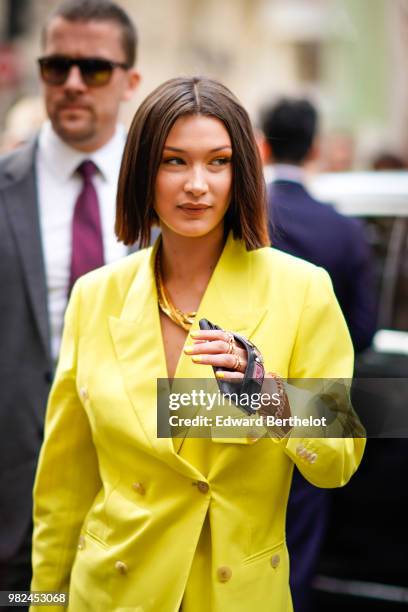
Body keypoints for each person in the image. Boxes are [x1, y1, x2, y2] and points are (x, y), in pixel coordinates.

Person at [30, 76, 365, 612]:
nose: (196, 185)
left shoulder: (301, 289)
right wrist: (41, 601)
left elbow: (339, 461)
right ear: (143, 170)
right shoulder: (95, 296)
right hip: (111, 593)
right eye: (173, 161)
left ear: (242, 173)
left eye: (218, 161)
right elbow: (62, 493)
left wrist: (270, 398)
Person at [0, 0, 140, 599]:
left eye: (96, 68)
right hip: (15, 509)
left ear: (131, 81)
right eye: (57, 67)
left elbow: (325, 415)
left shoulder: (183, 200)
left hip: (140, 511)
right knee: (32, 600)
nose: (74, 83)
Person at [261, 98, 377, 612]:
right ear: (313, 148)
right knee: (297, 552)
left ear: (261, 146)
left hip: (218, 396)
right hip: (313, 404)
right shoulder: (344, 230)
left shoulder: (237, 215)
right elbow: (366, 330)